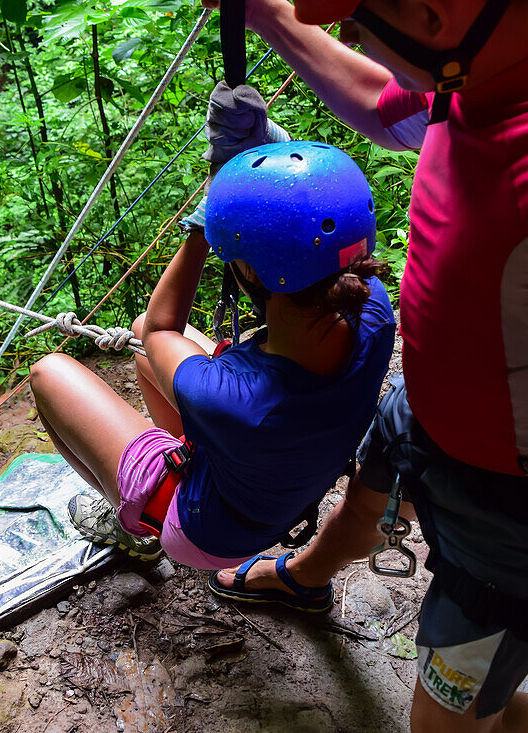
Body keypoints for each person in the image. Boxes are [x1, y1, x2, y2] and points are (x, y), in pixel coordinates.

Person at [201, 0, 528, 729]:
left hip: (518, 518)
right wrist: (267, 14)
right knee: (364, 505)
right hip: (425, 415)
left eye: (354, 21)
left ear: (430, 16)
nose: (348, 36)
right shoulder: (492, 58)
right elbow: (379, 100)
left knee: (446, 725)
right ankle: (306, 577)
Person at [29, 139, 395, 589]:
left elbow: (160, 330)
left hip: (208, 534)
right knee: (151, 344)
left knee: (49, 372)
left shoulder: (225, 394)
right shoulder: (374, 309)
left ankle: (135, 526)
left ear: (249, 271)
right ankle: (170, 463)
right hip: (286, 487)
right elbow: (156, 329)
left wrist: (204, 226)